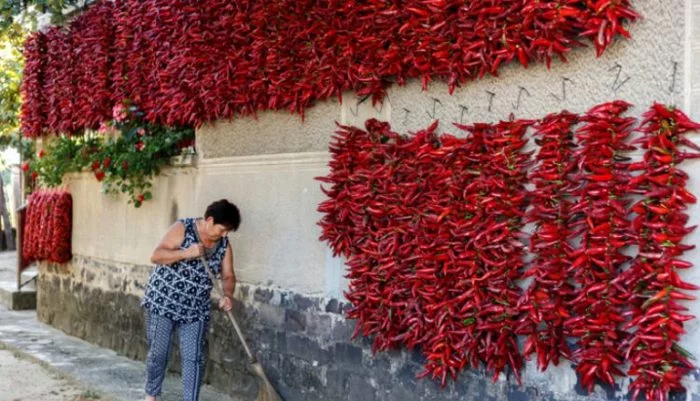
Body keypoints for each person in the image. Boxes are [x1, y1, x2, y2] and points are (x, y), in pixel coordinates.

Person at [141, 199, 241, 401]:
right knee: (159, 354)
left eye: (228, 232)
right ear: (210, 220)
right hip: (163, 302)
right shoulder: (183, 228)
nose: (224, 235)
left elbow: (228, 275)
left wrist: (228, 295)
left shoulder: (223, 245)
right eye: (222, 229)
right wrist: (187, 253)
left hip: (195, 309)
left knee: (194, 358)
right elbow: (157, 255)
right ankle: (151, 396)